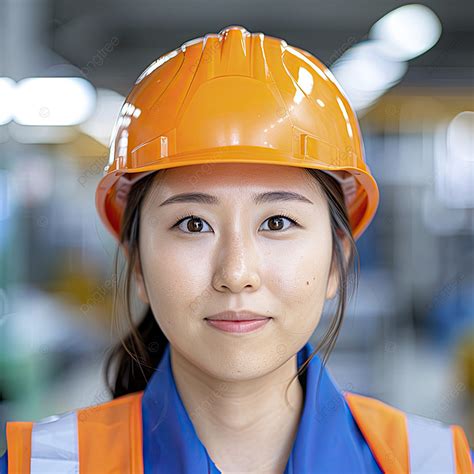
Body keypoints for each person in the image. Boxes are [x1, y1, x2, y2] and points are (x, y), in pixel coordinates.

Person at [1, 25, 472, 473]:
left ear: (337, 262)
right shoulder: (43, 466)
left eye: (277, 222)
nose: (237, 272)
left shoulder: (428, 463)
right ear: (137, 264)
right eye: (192, 223)